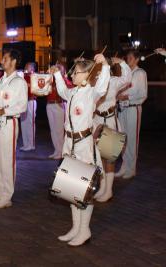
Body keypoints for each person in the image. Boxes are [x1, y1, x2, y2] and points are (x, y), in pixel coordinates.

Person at [50, 53, 110, 246]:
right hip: (70, 143)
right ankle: (76, 227)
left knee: (84, 189)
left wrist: (105, 65)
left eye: (76, 73)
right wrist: (57, 75)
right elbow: (61, 91)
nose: (72, 75)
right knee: (71, 188)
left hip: (84, 145)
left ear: (87, 75)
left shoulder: (92, 92)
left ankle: (85, 230)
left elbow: (103, 85)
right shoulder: (74, 92)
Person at [0, 49, 28, 209]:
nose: (2, 61)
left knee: (7, 159)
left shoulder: (19, 82)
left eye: (6, 58)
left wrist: (5, 111)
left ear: (14, 61)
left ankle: (7, 195)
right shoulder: (1, 81)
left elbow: (22, 106)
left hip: (9, 122)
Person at [93, 56, 132, 202]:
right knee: (99, 157)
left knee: (109, 156)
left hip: (109, 120)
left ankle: (108, 190)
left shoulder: (114, 81)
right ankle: (102, 186)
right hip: (96, 120)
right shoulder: (94, 81)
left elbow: (128, 79)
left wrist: (122, 63)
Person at [115, 50, 148, 179]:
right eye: (127, 57)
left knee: (132, 139)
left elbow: (142, 94)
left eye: (130, 57)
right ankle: (124, 166)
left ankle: (131, 168)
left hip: (133, 108)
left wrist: (126, 97)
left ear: (136, 59)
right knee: (122, 138)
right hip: (122, 109)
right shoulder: (126, 73)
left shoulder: (140, 73)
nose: (128, 59)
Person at [46, 64, 69, 159]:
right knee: (53, 130)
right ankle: (56, 150)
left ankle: (61, 152)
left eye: (59, 69)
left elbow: (69, 89)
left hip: (59, 105)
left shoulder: (63, 80)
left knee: (59, 130)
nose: (56, 71)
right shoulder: (51, 79)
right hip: (49, 104)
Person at [20, 62, 37, 151]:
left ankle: (31, 144)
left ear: (32, 69)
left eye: (28, 67)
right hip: (23, 102)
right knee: (23, 123)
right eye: (25, 66)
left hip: (31, 101)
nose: (25, 68)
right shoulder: (23, 77)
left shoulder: (34, 77)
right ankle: (25, 144)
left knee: (30, 123)